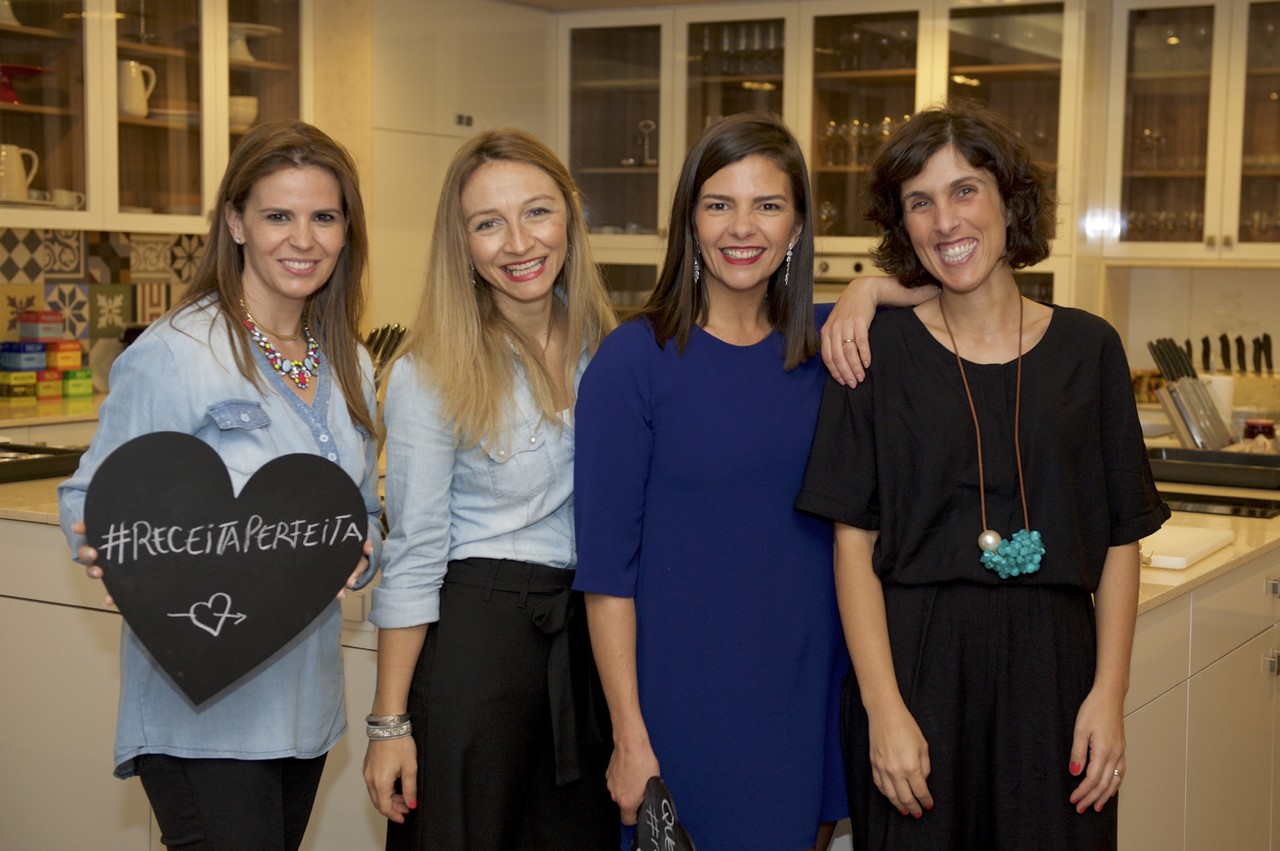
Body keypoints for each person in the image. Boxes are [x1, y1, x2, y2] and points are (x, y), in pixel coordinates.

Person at [795, 99, 1170, 850]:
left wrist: (1109, 694)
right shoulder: (875, 353)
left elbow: (1120, 537)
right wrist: (883, 710)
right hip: (917, 671)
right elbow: (852, 545)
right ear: (903, 224)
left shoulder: (1091, 349)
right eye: (920, 202)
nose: (945, 221)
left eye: (965, 190)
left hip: (1058, 672)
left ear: (1008, 198)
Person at [58, 120, 382, 850]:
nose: (303, 239)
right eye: (278, 215)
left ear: (346, 230)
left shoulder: (351, 365)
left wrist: (361, 551)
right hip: (201, 715)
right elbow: (90, 496)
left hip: (304, 711)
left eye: (324, 217)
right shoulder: (177, 353)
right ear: (236, 222)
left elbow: (361, 511)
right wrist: (120, 557)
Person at [572, 112, 850, 851]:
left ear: (798, 226)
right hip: (683, 703)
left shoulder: (828, 351)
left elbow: (940, 290)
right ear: (690, 222)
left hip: (807, 691)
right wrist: (629, 734)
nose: (742, 227)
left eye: (769, 205)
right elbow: (605, 574)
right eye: (719, 204)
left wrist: (868, 291)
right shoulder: (633, 362)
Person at [362, 128, 618, 850]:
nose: (518, 242)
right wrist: (389, 723)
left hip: (585, 650)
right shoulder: (430, 369)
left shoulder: (612, 350)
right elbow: (415, 548)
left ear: (570, 214)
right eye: (487, 223)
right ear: (462, 242)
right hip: (475, 649)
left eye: (537, 212)